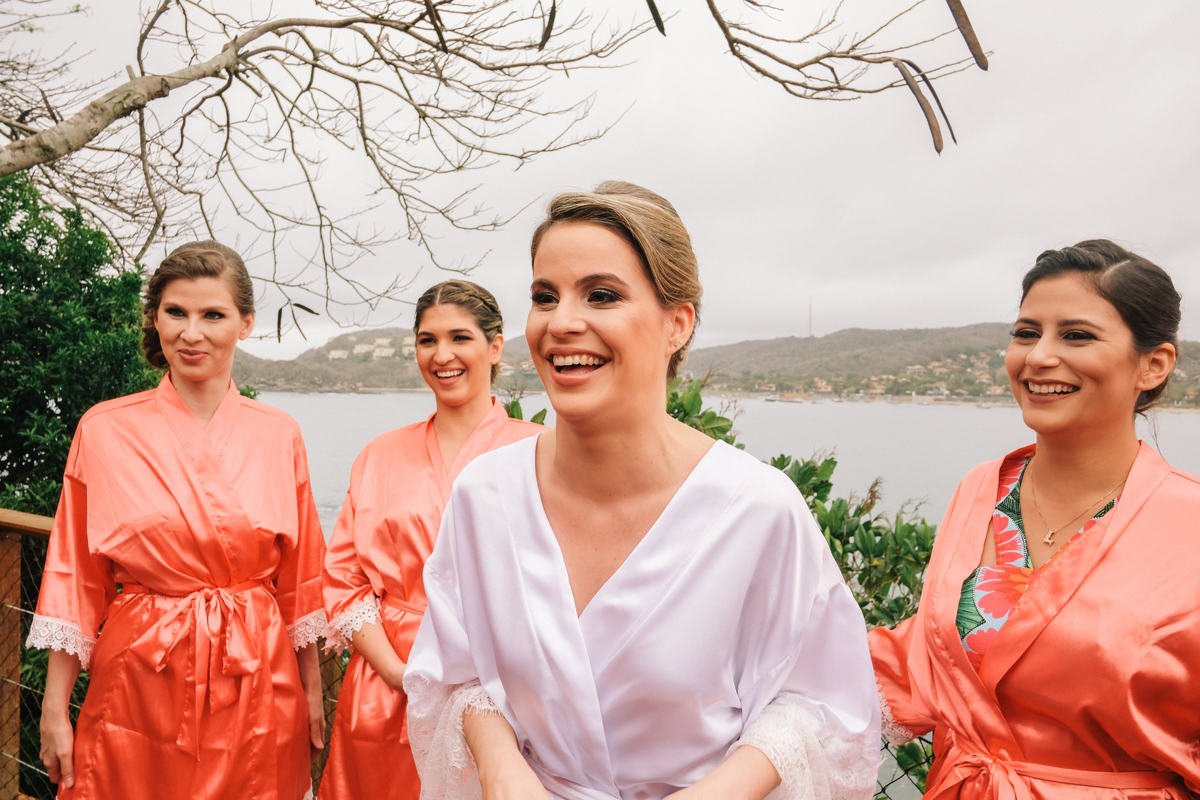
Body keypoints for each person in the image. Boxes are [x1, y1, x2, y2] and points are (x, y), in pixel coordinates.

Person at [404, 181, 880, 800]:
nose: (562, 323)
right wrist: (501, 764)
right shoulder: (484, 498)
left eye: (601, 295)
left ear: (676, 324)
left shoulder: (758, 510)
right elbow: (451, 674)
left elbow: (821, 704)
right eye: (545, 296)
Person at [871, 240, 1200, 798]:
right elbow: (935, 655)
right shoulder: (981, 490)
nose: (1039, 356)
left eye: (1077, 335)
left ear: (1153, 364)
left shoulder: (1188, 525)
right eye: (1026, 333)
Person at [28, 242, 326, 799]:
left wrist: (311, 690)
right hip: (142, 672)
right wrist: (53, 710)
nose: (192, 333)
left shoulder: (279, 432)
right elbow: (76, 580)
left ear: (245, 323)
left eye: (213, 314)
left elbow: (302, 580)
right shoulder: (104, 429)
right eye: (176, 313)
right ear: (155, 319)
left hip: (257, 672)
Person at [320, 280, 543, 799]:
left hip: (504, 692)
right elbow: (344, 580)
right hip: (386, 685)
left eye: (459, 338)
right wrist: (398, 674)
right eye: (427, 340)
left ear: (494, 346)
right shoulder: (379, 454)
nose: (442, 356)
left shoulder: (540, 453)